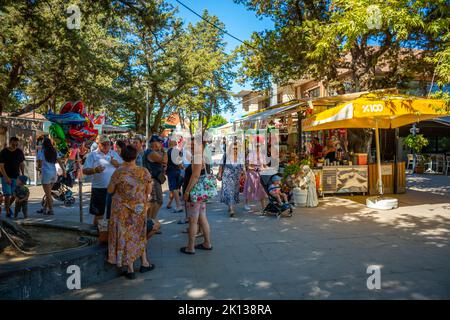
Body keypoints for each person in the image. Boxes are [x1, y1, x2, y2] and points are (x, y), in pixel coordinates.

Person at [107, 145, 154, 280]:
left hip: (121, 210)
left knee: (125, 235)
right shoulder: (143, 171)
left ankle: (130, 268)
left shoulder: (118, 173)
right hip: (138, 208)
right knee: (139, 233)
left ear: (122, 156)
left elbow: (110, 190)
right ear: (136, 156)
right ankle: (144, 262)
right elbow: (149, 190)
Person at [180, 140, 212, 254]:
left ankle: (190, 247)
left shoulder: (198, 157)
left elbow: (195, 176)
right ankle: (207, 243)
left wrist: (187, 191)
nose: (192, 146)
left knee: (193, 221)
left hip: (194, 193)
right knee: (202, 217)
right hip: (200, 193)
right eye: (191, 144)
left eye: (194, 145)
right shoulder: (202, 156)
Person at [83, 135, 123, 226]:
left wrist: (117, 165)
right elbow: (84, 170)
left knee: (112, 213)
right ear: (98, 144)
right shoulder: (93, 155)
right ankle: (95, 232)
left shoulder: (114, 153)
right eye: (103, 144)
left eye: (108, 144)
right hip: (99, 188)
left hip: (113, 188)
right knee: (99, 213)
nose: (106, 146)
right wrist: (94, 170)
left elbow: (124, 167)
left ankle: (109, 234)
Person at [36, 137, 66, 215]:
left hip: (46, 173)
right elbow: (60, 162)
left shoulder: (42, 151)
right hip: (53, 173)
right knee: (48, 193)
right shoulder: (54, 151)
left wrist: (38, 168)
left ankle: (51, 210)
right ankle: (45, 209)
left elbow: (39, 164)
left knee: (48, 194)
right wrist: (64, 170)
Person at [144, 135, 167, 222]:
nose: (161, 144)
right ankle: (150, 221)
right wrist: (164, 152)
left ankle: (151, 220)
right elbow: (165, 160)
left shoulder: (152, 151)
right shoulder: (151, 152)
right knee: (155, 202)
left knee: (157, 201)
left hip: (155, 179)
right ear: (154, 143)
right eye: (160, 142)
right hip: (152, 180)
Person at [0, 137, 25, 218]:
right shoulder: (4, 152)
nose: (15, 146)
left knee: (15, 194)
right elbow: (1, 166)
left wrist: (22, 175)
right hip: (5, 176)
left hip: (16, 176)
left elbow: (21, 164)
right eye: (14, 144)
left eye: (16, 145)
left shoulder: (19, 152)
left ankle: (7, 206)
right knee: (7, 194)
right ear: (10, 142)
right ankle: (7, 211)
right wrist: (6, 177)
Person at [218, 141, 244, 217]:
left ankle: (230, 206)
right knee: (229, 192)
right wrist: (219, 174)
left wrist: (244, 174)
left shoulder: (240, 156)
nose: (235, 150)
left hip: (236, 177)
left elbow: (242, 166)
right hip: (227, 176)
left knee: (234, 192)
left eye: (236, 148)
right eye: (233, 148)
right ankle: (232, 209)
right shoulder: (226, 155)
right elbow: (221, 165)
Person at [243, 140, 267, 212]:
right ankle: (246, 203)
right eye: (257, 146)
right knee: (249, 189)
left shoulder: (262, 155)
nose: (258, 147)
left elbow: (264, 165)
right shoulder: (250, 155)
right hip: (251, 174)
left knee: (261, 189)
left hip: (260, 174)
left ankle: (263, 206)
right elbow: (248, 166)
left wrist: (266, 168)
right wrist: (255, 168)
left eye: (259, 146)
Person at [166, 140, 183, 212]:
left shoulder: (168, 152)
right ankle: (169, 204)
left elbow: (165, 162)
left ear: (169, 144)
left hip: (171, 171)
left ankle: (178, 206)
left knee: (174, 188)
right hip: (178, 170)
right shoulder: (177, 151)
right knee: (175, 188)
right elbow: (180, 161)